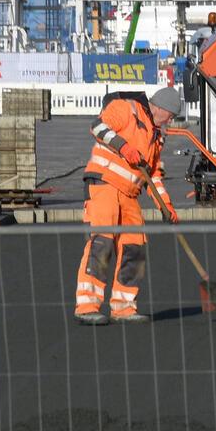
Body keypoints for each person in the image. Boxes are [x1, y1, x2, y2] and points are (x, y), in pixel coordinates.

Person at [74, 86, 184, 325]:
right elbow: (98, 127)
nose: (171, 121)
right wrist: (124, 147)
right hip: (104, 185)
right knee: (102, 243)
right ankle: (87, 306)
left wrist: (166, 206)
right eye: (171, 115)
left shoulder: (157, 137)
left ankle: (123, 307)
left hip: (129, 194)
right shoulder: (126, 109)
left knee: (135, 248)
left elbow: (153, 176)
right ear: (162, 108)